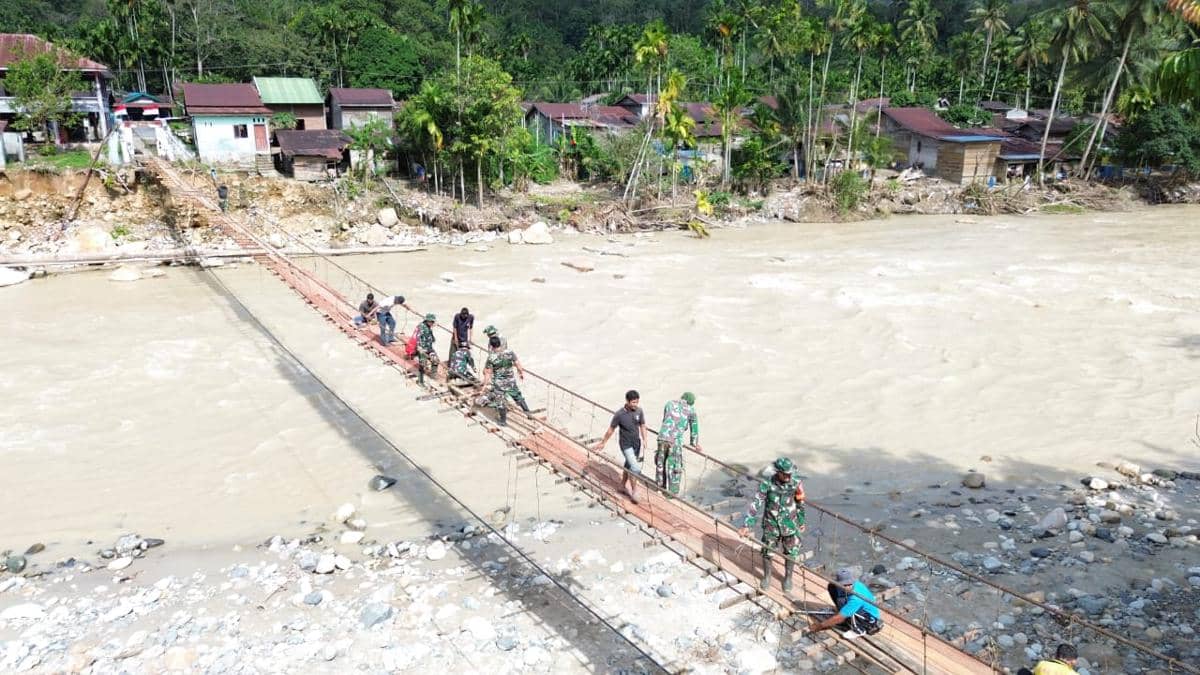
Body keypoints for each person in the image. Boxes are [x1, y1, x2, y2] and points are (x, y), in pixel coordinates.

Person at [738, 457, 806, 591]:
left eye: (790, 474)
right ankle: (767, 576)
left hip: (790, 525)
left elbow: (800, 502)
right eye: (785, 474)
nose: (788, 477)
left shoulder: (796, 483)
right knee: (767, 552)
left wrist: (801, 521)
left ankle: (788, 578)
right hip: (771, 524)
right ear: (778, 472)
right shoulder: (767, 483)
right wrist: (746, 525)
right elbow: (756, 503)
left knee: (791, 552)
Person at [593, 390, 647, 503]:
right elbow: (611, 429)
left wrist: (645, 439)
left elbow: (642, 425)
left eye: (637, 402)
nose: (635, 405)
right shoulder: (619, 414)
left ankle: (622, 485)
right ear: (627, 401)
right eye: (633, 402)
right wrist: (603, 442)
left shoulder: (639, 411)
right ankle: (634, 491)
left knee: (628, 465)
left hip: (636, 444)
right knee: (635, 468)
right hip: (625, 445)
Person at [805, 568, 883, 639]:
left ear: (853, 582)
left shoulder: (856, 598)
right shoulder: (847, 585)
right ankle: (844, 613)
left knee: (847, 612)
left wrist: (819, 626)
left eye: (850, 584)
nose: (848, 587)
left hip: (869, 619)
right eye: (844, 585)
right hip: (857, 608)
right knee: (832, 586)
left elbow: (840, 618)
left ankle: (859, 630)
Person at [655, 392, 700, 497]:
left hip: (662, 437)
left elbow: (665, 420)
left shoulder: (669, 403)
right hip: (675, 441)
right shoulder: (691, 410)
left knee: (660, 463)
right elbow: (694, 428)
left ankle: (659, 488)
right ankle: (672, 493)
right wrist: (694, 444)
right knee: (674, 466)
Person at [481, 336, 530, 426]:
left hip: (499, 384)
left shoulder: (491, 357)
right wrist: (521, 373)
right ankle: (528, 414)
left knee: (500, 402)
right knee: (518, 396)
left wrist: (484, 385)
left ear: (491, 346)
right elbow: (518, 364)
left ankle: (503, 421)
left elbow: (488, 373)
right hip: (511, 381)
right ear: (500, 343)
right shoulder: (510, 352)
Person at [415, 313, 440, 385]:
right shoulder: (421, 327)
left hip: (429, 348)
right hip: (422, 349)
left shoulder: (429, 326)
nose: (432, 323)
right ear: (427, 321)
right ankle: (420, 381)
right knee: (423, 364)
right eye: (431, 321)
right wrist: (419, 347)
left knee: (435, 360)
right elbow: (417, 337)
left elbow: (430, 335)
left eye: (433, 322)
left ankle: (433, 374)